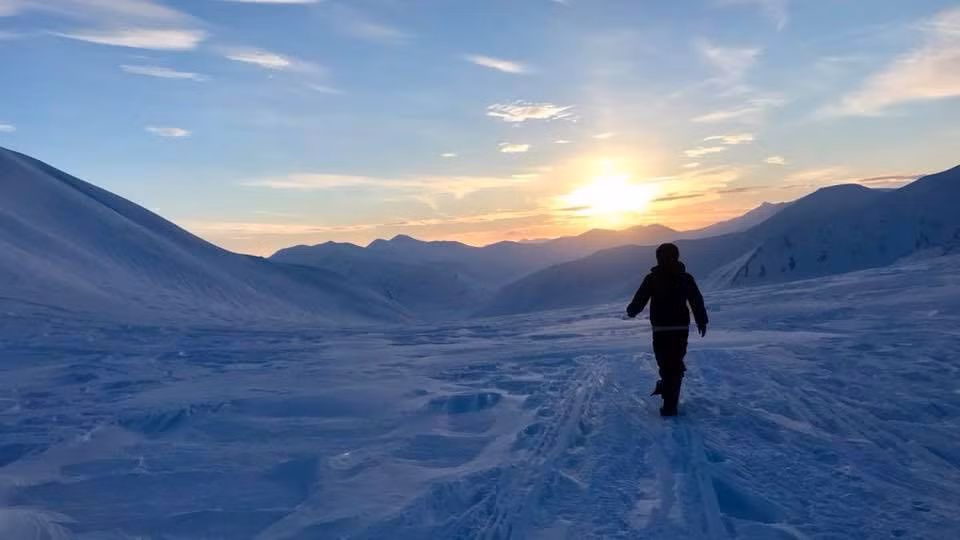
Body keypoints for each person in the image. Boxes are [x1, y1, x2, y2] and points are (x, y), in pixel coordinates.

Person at [626, 242, 708, 417]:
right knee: (675, 362)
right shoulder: (685, 278)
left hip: (661, 329)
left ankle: (669, 401)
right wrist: (702, 321)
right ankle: (670, 397)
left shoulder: (652, 278)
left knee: (665, 363)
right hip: (680, 328)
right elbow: (696, 301)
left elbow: (640, 299)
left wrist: (632, 310)